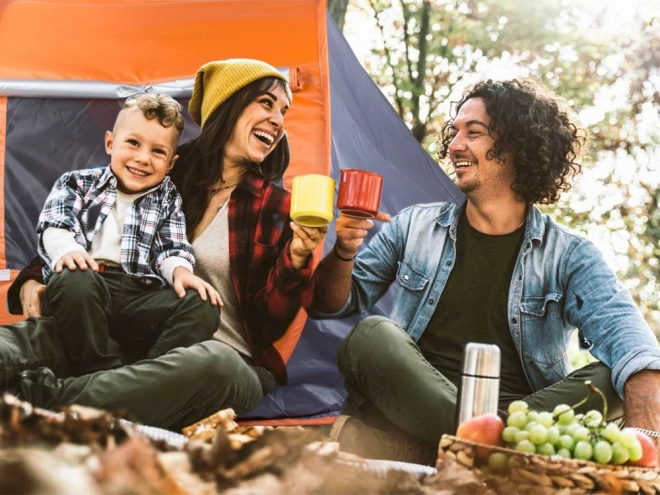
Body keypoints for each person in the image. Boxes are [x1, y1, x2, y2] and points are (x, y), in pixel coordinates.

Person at [310, 79, 660, 465]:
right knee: (371, 335)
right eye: (455, 133)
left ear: (516, 147)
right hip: (418, 407)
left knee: (618, 374)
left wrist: (645, 439)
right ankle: (491, 452)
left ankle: (448, 450)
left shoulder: (570, 256)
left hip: (523, 417)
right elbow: (330, 305)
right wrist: (343, 252)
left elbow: (633, 342)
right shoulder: (413, 226)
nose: (454, 146)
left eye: (473, 133)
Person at [2, 59, 327, 429]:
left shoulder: (276, 207)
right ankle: (101, 392)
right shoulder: (166, 166)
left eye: (283, 111)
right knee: (14, 345)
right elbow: (85, 222)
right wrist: (31, 276)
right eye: (266, 104)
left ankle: (39, 401)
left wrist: (297, 258)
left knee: (215, 366)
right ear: (229, 104)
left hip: (206, 356)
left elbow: (269, 323)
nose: (278, 120)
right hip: (110, 332)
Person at [36, 93, 221, 377]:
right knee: (74, 280)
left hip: (139, 296)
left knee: (202, 303)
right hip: (87, 285)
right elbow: (55, 224)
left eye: (158, 151)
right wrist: (67, 251)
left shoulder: (167, 198)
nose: (143, 158)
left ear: (171, 164)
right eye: (133, 143)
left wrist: (181, 272)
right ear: (110, 143)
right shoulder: (78, 183)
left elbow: (171, 247)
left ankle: (146, 379)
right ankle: (100, 373)